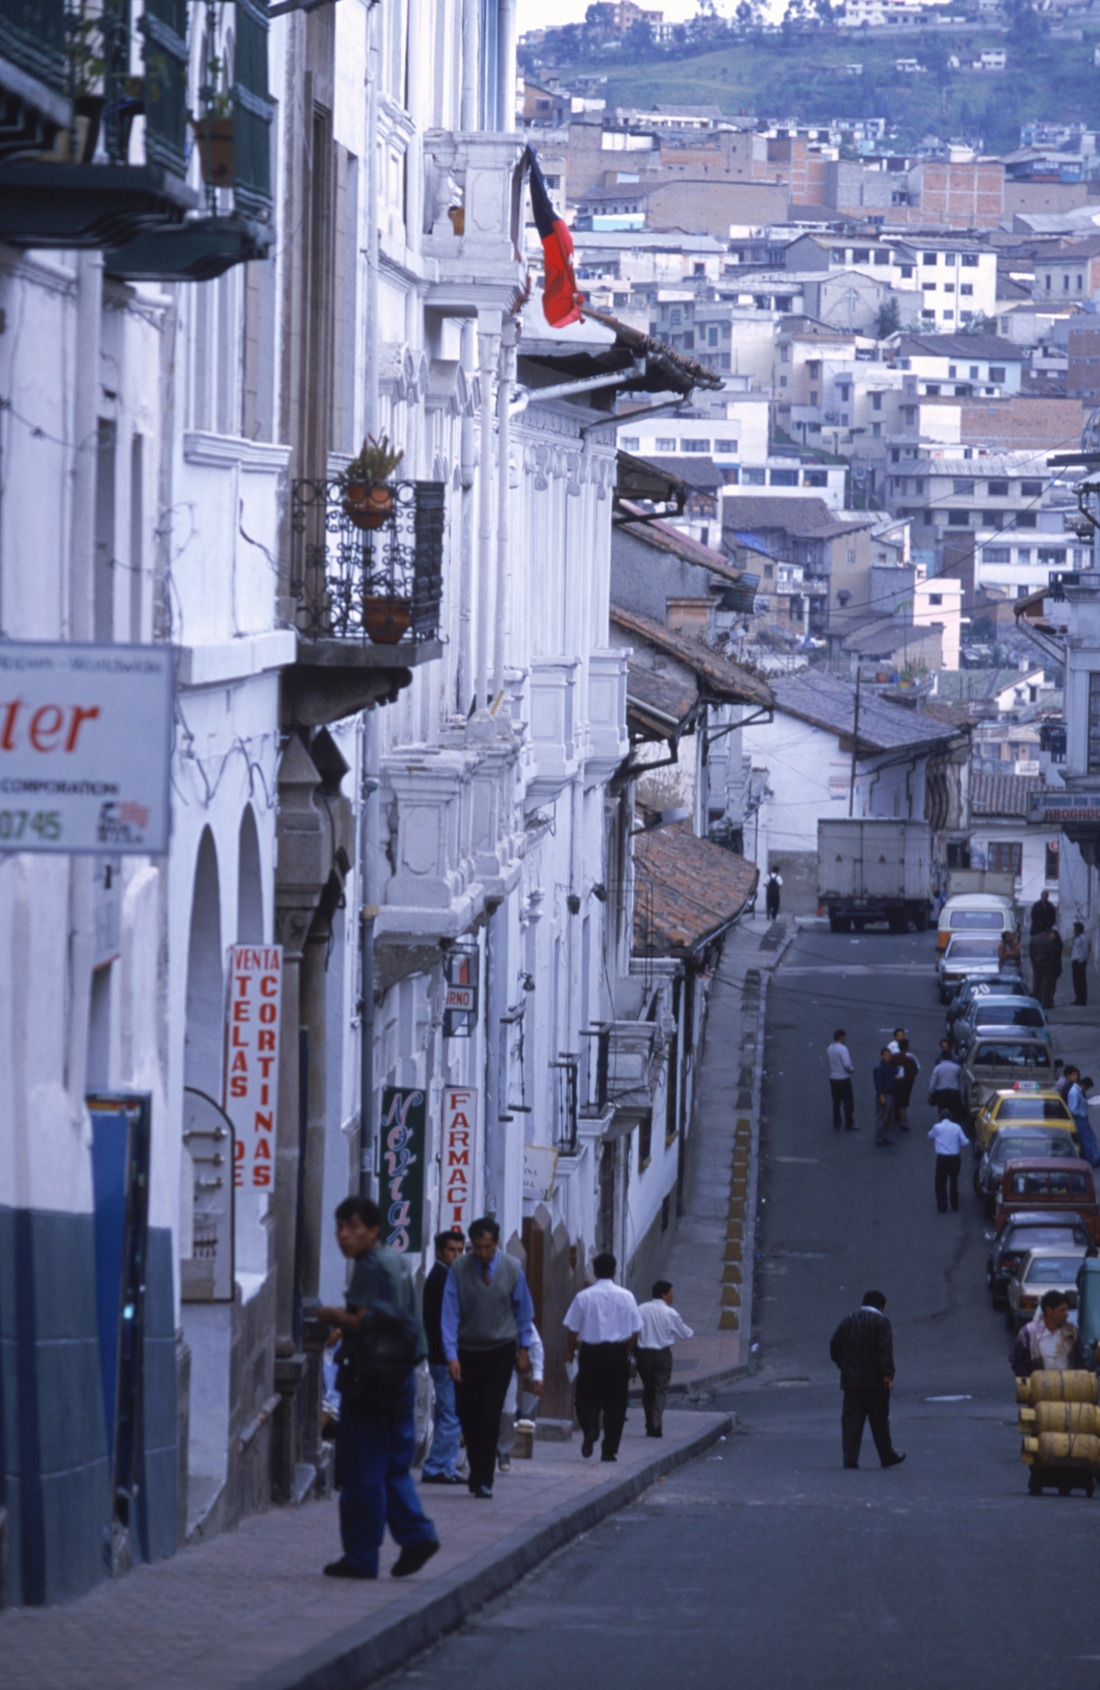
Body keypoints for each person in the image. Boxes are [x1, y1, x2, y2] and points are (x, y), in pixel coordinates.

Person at [315, 1196, 440, 1580]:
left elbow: (369, 1320)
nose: (343, 1236)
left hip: (371, 1377)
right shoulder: (397, 1262)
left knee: (360, 1469)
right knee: (392, 1466)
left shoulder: (371, 1267)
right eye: (339, 1227)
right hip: (400, 1376)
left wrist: (334, 1316)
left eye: (352, 1227)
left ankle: (362, 1555)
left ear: (372, 1231)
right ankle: (416, 1534)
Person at [441, 1215, 536, 1500]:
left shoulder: (512, 1268)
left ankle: (484, 1478)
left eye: (488, 1247)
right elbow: (449, 1314)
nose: (483, 1253)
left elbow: (524, 1311)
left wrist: (524, 1349)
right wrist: (451, 1355)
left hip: (500, 1349)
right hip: (467, 1349)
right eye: (478, 1248)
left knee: (491, 1411)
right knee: (468, 1413)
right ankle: (476, 1469)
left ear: (496, 1243)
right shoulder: (458, 1269)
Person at [563, 1252, 642, 1462]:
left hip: (591, 1352)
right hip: (617, 1353)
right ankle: (609, 1450)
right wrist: (626, 1347)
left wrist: (569, 1352)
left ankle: (590, 1428)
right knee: (616, 1403)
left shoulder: (584, 1296)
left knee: (586, 1396)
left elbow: (572, 1330)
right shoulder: (627, 1296)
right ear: (615, 1271)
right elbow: (635, 1330)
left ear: (595, 1272)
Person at [828, 1290, 905, 1470]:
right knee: (879, 1421)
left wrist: (842, 1364)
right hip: (875, 1382)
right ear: (881, 1306)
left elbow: (834, 1345)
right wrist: (888, 1375)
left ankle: (850, 1457)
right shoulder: (881, 1322)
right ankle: (886, 1455)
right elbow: (884, 1350)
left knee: (851, 1421)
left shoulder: (849, 1320)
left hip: (851, 1381)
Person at [420, 1228, 465, 1484]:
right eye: (452, 1250)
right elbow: (442, 1324)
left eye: (460, 1250)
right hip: (445, 1358)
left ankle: (446, 1465)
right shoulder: (441, 1278)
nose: (457, 1255)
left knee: (446, 1412)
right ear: (439, 1252)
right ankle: (437, 1466)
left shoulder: (447, 1276)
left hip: (444, 1356)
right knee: (452, 1412)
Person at [634, 1281, 694, 1438]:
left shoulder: (641, 1309)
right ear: (663, 1294)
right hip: (662, 1355)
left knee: (648, 1389)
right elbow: (686, 1333)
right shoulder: (670, 1313)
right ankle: (656, 1424)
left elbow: (632, 1330)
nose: (672, 1295)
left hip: (643, 1355)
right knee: (660, 1389)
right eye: (670, 1293)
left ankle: (649, 1423)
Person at [497, 1324, 544, 1472]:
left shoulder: (517, 1312)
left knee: (508, 1412)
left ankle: (503, 1451)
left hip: (506, 1364)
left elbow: (535, 1343)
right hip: (480, 1360)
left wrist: (537, 1375)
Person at [1011, 1288, 1088, 1377]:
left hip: (1068, 1387)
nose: (1067, 1314)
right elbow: (1016, 1360)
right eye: (1062, 1310)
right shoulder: (1029, 1332)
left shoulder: (1072, 1331)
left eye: (1067, 1309)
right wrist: (1029, 1380)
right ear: (1049, 1311)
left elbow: (1081, 1359)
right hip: (1039, 1387)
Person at [928, 1114, 969, 1213]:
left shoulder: (937, 1127)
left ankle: (942, 1206)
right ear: (951, 1117)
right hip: (954, 1158)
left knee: (940, 1182)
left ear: (940, 1118)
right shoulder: (956, 1127)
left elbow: (929, 1135)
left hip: (942, 1158)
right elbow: (965, 1142)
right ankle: (954, 1205)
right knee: (953, 1181)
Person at [1067, 1070, 1100, 1168]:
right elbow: (1072, 1109)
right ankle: (1093, 1159)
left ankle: (1091, 1157)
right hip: (1079, 1119)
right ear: (1084, 1086)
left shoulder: (1077, 1091)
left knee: (1090, 1138)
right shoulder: (1075, 1092)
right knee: (1087, 1140)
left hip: (1082, 1118)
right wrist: (1082, 1113)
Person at [826, 1028, 857, 1132]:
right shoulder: (842, 1048)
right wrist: (851, 1070)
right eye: (844, 1037)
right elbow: (847, 1064)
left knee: (836, 1102)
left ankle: (837, 1122)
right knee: (848, 1102)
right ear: (841, 1037)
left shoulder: (830, 1048)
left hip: (833, 1078)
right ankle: (849, 1123)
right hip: (843, 1078)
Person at [927, 1049, 963, 1123]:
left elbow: (932, 1083)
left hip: (941, 1093)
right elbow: (961, 1080)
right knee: (954, 1111)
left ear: (941, 1058)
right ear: (951, 1058)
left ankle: (943, 1124)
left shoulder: (938, 1068)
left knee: (942, 1110)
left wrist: (931, 1093)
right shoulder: (957, 1068)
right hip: (954, 1092)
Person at [893, 1037, 920, 1133]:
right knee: (903, 1102)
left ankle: (896, 1116)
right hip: (907, 1083)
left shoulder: (894, 1057)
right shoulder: (910, 1059)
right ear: (906, 1047)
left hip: (895, 1083)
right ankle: (903, 1121)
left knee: (896, 1099)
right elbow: (915, 1070)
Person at [872, 1047, 897, 1146]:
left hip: (890, 1094)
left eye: (889, 1055)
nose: (888, 1057)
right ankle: (879, 1137)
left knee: (889, 1117)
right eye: (886, 1055)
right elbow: (878, 1084)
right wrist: (881, 1096)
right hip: (884, 1095)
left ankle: (885, 1136)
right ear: (881, 1056)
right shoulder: (878, 1068)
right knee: (882, 1117)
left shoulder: (889, 1067)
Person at [1029, 926, 1058, 1009]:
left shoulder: (1033, 939)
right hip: (1046, 963)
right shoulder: (1049, 939)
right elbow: (1051, 952)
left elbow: (1030, 951)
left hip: (1036, 962)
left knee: (1036, 982)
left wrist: (1033, 960)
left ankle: (1035, 999)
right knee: (1046, 983)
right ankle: (1045, 1002)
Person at [1071, 921, 1090, 1007]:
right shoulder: (1076, 937)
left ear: (1078, 929)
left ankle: (1082, 999)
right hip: (1075, 960)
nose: (1073, 930)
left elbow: (1085, 950)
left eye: (1075, 928)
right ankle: (1078, 998)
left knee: (1081, 981)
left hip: (1079, 961)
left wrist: (1082, 960)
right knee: (1076, 981)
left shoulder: (1083, 938)